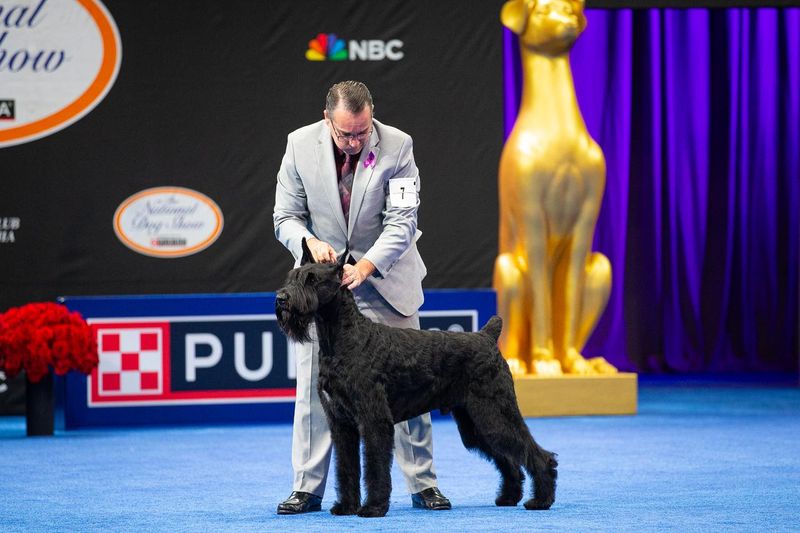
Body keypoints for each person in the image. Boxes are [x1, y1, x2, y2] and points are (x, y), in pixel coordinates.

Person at [272, 80, 451, 514]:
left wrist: (367, 265)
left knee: (411, 385)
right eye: (345, 134)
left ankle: (423, 484)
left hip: (386, 280)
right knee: (314, 391)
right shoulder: (298, 145)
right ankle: (307, 487)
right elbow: (285, 217)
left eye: (362, 132)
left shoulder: (399, 145)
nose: (354, 142)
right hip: (324, 290)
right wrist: (308, 241)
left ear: (372, 116)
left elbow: (403, 220)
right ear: (326, 119)